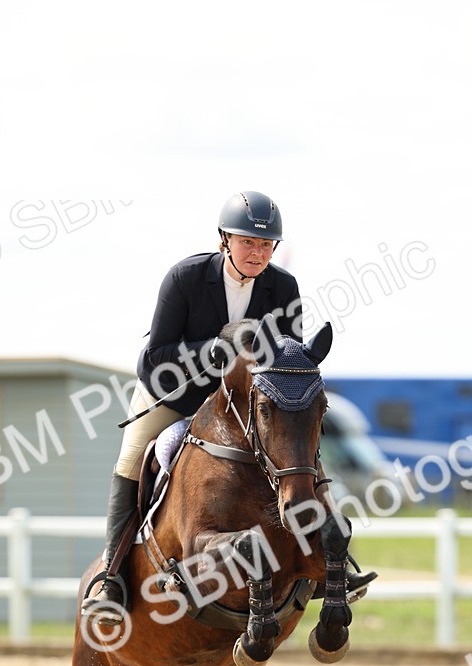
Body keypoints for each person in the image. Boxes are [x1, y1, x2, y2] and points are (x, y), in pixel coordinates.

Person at [81, 190, 376, 620]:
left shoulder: (283, 287)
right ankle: (111, 575)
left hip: (242, 405)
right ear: (224, 240)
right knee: (133, 457)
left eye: (265, 245)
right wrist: (212, 349)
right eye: (248, 242)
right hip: (175, 394)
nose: (257, 253)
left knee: (296, 456)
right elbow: (155, 357)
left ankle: (328, 563)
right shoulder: (185, 278)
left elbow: (286, 363)